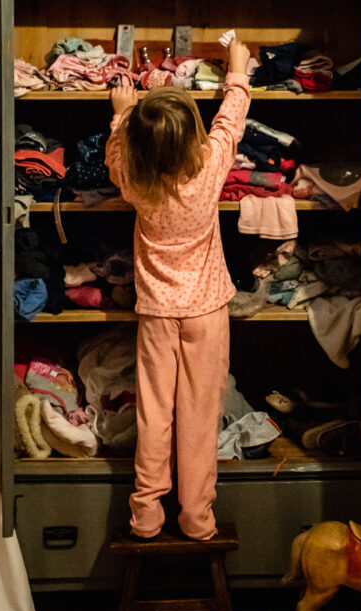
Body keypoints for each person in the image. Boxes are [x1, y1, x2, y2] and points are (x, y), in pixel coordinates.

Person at [105, 38, 252, 541]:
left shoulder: (134, 180)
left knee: (154, 418)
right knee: (199, 418)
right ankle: (196, 516)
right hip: (207, 314)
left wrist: (123, 115)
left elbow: (117, 156)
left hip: (157, 317)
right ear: (194, 139)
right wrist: (237, 68)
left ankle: (146, 515)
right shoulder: (209, 169)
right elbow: (230, 120)